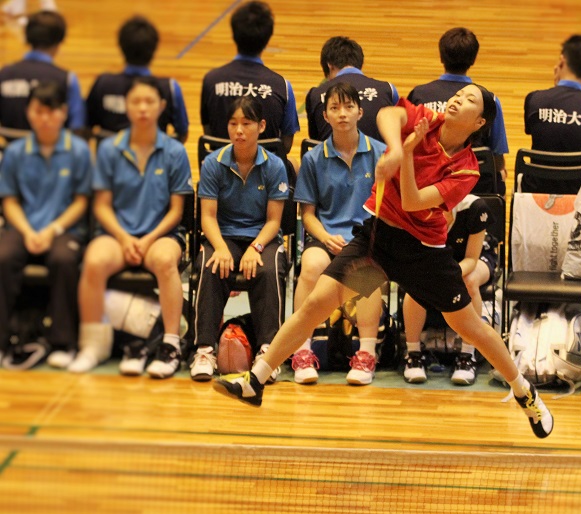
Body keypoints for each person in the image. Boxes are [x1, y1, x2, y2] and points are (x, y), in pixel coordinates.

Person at [214, 84, 554, 440]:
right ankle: (256, 380)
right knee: (317, 303)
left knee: (470, 327)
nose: (457, 99)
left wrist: (404, 155)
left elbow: (413, 201)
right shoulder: (428, 120)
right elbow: (389, 114)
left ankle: (523, 392)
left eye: (469, 100)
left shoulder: (466, 171)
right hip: (377, 244)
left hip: (423, 255)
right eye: (459, 94)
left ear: (479, 121)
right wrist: (395, 145)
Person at [67, 76, 193, 378]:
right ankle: (93, 344)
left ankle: (170, 344)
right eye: (136, 102)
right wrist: (124, 238)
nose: (143, 108)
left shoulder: (175, 151)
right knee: (94, 261)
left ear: (162, 106)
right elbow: (101, 206)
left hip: (161, 235)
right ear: (126, 106)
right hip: (117, 235)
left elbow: (177, 211)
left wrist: (148, 239)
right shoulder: (110, 149)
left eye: (150, 102)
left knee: (165, 261)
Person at [291, 82, 386, 386]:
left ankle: (366, 353)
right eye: (334, 108)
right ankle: (302, 351)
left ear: (360, 111)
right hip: (326, 237)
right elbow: (307, 215)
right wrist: (326, 236)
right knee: (311, 266)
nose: (342, 114)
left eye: (348, 107)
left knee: (366, 271)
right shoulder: (313, 159)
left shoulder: (381, 154)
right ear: (326, 116)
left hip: (365, 239)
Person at [189, 96, 289, 381]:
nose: (239, 131)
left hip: (262, 237)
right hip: (225, 236)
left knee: (268, 269)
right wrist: (220, 248)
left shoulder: (274, 167)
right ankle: (205, 350)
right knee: (211, 265)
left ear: (261, 126)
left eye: (246, 123)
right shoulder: (212, 164)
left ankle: (268, 354)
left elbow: (273, 221)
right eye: (233, 123)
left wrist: (256, 247)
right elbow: (208, 216)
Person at [0, 81, 91, 367]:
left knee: (64, 259)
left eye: (51, 111)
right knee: (2, 257)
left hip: (64, 230)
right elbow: (10, 201)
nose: (45, 118)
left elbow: (81, 200)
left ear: (64, 113)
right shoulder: (15, 153)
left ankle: (63, 342)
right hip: (22, 228)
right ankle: (4, 340)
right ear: (29, 113)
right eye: (38, 111)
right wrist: (28, 231)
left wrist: (52, 230)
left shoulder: (78, 151)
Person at [402, 193, 496, 386]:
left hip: (473, 259)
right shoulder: (415, 208)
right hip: (436, 261)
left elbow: (471, 259)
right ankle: (413, 353)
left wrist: (448, 276)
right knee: (416, 281)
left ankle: (467, 356)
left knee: (469, 282)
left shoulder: (474, 207)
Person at [408, 27, 509, 187]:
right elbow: (497, 154)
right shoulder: (489, 100)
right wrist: (501, 169)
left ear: (441, 57)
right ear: (473, 59)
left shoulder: (418, 94)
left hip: (425, 183)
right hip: (474, 184)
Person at [200, 1, 299, 155]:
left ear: (234, 35)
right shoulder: (282, 86)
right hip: (266, 176)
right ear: (267, 38)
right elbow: (285, 146)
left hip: (219, 173)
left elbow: (209, 133)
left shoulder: (211, 81)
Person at [523, 34, 581, 193]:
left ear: (561, 60)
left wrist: (555, 89)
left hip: (537, 196)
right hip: (580, 201)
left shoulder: (534, 101)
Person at [86, 15, 189, 143]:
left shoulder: (102, 84)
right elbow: (182, 134)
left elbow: (86, 128)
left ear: (121, 46)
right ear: (154, 48)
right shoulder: (170, 87)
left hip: (111, 162)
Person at [0, 10, 84, 132]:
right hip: (53, 150)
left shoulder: (4, 74)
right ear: (59, 41)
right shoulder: (67, 79)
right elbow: (77, 128)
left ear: (27, 37)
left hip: (8, 149)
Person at [305, 36, 398, 143]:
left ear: (329, 66)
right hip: (380, 159)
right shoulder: (388, 89)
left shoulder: (315, 94)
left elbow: (315, 142)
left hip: (329, 158)